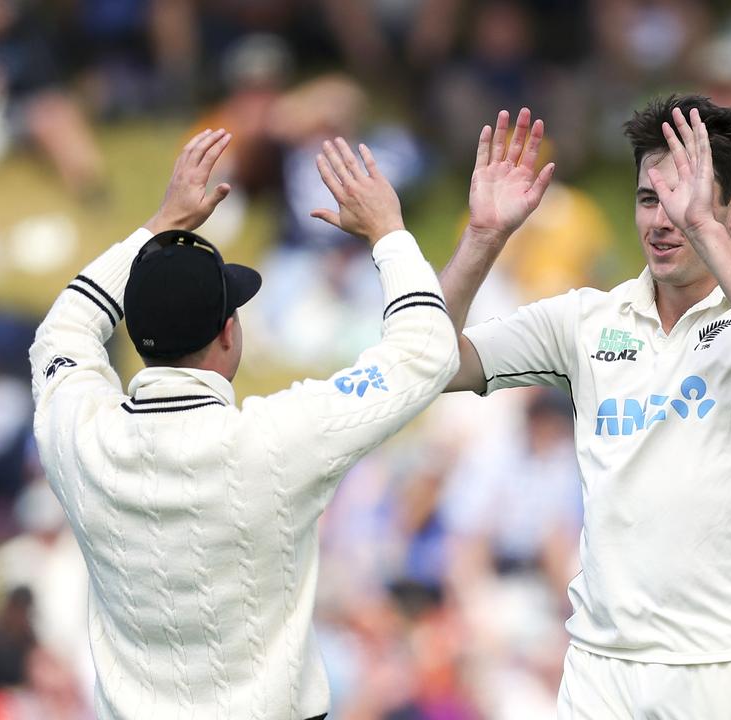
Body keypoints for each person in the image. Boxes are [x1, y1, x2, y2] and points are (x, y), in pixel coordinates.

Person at [28, 128, 458, 718]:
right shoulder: (279, 438)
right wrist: (389, 232)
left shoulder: (79, 434)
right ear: (229, 334)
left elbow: (63, 328)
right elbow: (427, 353)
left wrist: (158, 226)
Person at [439, 97, 731, 717]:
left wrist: (705, 232)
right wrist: (482, 237)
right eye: (648, 199)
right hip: (603, 667)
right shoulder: (586, 319)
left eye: (684, 197)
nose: (662, 219)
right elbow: (429, 363)